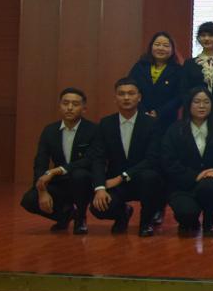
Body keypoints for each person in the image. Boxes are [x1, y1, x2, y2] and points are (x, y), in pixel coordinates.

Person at [90, 77, 165, 237]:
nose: (126, 98)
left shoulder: (152, 123)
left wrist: (122, 177)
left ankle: (146, 223)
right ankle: (122, 214)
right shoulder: (106, 124)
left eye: (131, 93)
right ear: (115, 97)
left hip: (142, 179)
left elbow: (152, 158)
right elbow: (98, 158)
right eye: (121, 94)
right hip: (115, 182)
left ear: (139, 97)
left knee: (151, 177)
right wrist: (100, 188)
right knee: (98, 207)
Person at [19, 87, 97, 234]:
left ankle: (81, 217)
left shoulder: (93, 130)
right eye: (65, 103)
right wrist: (41, 188)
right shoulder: (49, 131)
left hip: (84, 183)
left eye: (75, 104)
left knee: (79, 175)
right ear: (59, 106)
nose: (69, 107)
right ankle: (65, 215)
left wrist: (58, 170)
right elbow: (40, 162)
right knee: (29, 200)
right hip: (60, 182)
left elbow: (90, 160)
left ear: (84, 109)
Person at [160, 87, 213, 237]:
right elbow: (168, 161)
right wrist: (195, 176)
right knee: (186, 213)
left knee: (209, 186)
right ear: (188, 104)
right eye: (197, 102)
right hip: (181, 185)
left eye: (206, 102)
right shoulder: (175, 130)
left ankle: (209, 221)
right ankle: (189, 221)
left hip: (209, 183)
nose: (202, 106)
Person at [129, 31, 183, 131]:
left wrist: (158, 112)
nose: (161, 48)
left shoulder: (178, 70)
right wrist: (143, 111)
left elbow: (179, 97)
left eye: (166, 45)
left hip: (166, 121)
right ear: (151, 47)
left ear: (172, 49)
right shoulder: (140, 66)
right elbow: (131, 88)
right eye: (157, 44)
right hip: (140, 117)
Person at [181, 21, 213, 122]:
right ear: (198, 38)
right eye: (203, 35)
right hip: (194, 115)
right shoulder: (189, 64)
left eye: (211, 35)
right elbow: (184, 91)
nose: (206, 38)